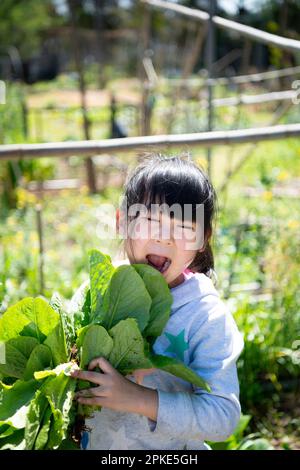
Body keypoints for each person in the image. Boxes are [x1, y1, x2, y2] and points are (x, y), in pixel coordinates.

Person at [71, 154, 244, 450]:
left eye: (182, 228)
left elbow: (223, 416)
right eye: (150, 220)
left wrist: (138, 399)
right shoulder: (98, 289)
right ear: (121, 222)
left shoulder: (205, 315)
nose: (164, 238)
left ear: (203, 239)